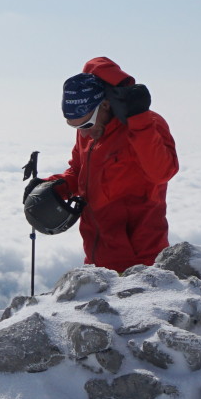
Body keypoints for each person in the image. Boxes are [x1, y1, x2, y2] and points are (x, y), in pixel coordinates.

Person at [44, 56, 178, 272]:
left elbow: (162, 172)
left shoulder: (146, 125)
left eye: (86, 124)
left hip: (141, 262)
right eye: (75, 127)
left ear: (105, 105)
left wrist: (140, 122)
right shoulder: (90, 131)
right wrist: (53, 187)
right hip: (97, 258)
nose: (83, 133)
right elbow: (78, 172)